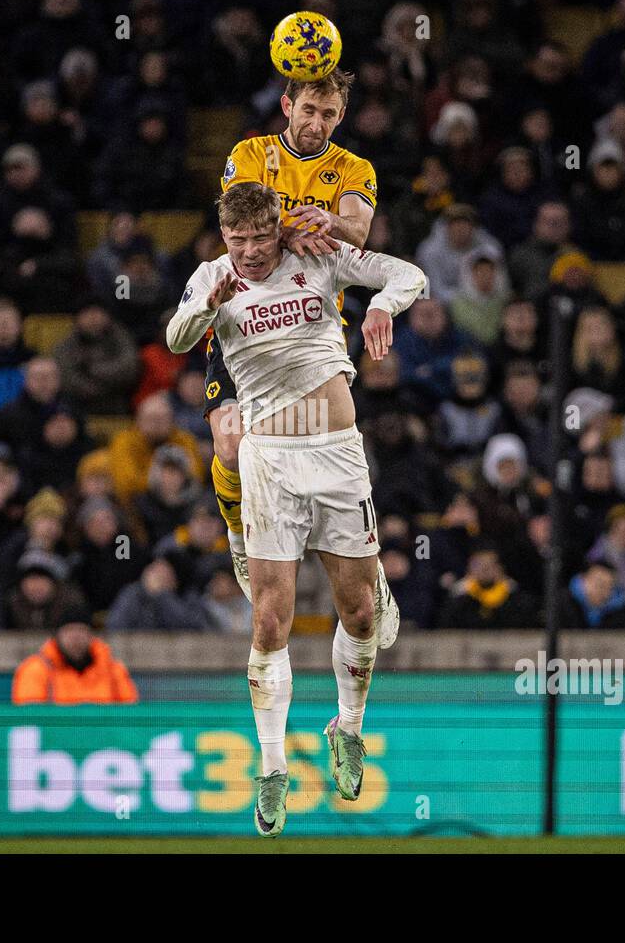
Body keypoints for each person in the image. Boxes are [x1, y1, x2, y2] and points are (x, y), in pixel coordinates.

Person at [167, 181, 425, 836]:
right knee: (269, 622)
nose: (249, 252)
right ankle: (274, 767)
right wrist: (208, 308)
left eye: (258, 237)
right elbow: (175, 339)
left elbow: (409, 274)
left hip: (336, 453)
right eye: (237, 240)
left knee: (360, 609)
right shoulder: (213, 276)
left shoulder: (319, 255)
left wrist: (383, 307)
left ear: (277, 228)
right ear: (223, 236)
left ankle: (348, 727)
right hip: (270, 463)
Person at [204, 68, 397, 646]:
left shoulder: (353, 170)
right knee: (230, 446)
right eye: (308, 110)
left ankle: (369, 569)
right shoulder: (250, 153)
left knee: (326, 464)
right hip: (241, 324)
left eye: (329, 115)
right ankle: (241, 542)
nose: (317, 124)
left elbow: (358, 231)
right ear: (287, 104)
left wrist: (330, 222)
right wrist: (292, 227)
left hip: (312, 336)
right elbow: (242, 226)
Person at [11, 616, 139, 705]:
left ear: (91, 636)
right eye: (69, 631)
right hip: (54, 740)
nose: (75, 637)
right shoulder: (36, 669)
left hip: (106, 740)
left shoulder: (113, 670)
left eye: (81, 630)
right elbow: (29, 717)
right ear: (57, 636)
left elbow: (130, 714)